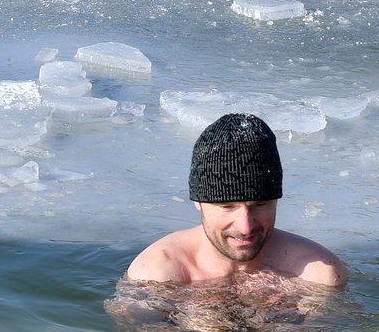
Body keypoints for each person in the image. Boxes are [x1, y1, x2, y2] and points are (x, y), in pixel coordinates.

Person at [127, 113, 347, 287]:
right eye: (227, 206)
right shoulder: (156, 274)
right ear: (198, 201)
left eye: (259, 204)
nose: (245, 227)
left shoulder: (318, 274)